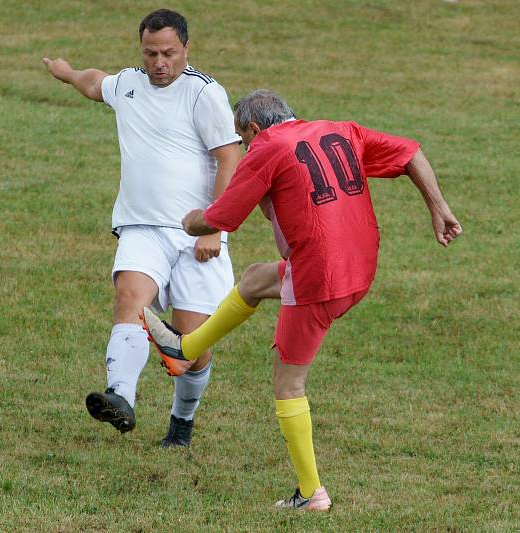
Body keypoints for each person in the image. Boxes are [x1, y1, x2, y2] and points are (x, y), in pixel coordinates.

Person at [141, 89, 462, 508]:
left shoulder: (267, 146)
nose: (246, 148)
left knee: (288, 383)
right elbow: (410, 152)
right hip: (359, 270)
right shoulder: (339, 129)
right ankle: (185, 349)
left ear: (254, 129)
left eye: (245, 139)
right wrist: (439, 208)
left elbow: (222, 218)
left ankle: (312, 493)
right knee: (256, 279)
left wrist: (190, 222)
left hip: (318, 281)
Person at [42, 9, 241, 447]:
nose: (159, 62)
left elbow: (230, 157)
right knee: (129, 297)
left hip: (197, 236)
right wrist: (66, 72)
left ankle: (181, 425)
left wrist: (214, 226)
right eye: (150, 53)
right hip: (141, 227)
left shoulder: (203, 94)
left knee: (189, 351)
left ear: (186, 49)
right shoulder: (130, 82)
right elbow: (95, 83)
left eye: (168, 53)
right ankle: (121, 398)